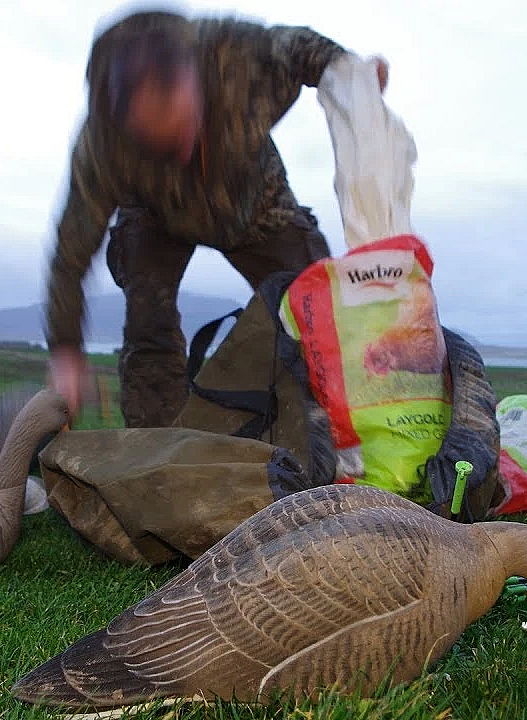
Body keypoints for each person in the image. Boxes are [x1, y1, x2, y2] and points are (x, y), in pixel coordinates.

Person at [44, 8, 388, 428]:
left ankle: (332, 430)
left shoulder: (238, 55)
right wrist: (65, 352)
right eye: (163, 142)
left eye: (186, 126)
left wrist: (353, 79)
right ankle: (158, 451)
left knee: (318, 310)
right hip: (157, 217)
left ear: (194, 79)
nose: (183, 148)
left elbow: (305, 50)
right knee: (147, 327)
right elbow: (70, 255)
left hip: (254, 204)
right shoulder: (101, 147)